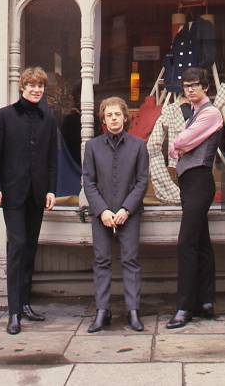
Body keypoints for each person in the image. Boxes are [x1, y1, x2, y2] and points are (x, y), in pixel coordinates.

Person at [0, 67, 57, 335]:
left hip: (37, 195)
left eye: (40, 86)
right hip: (12, 194)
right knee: (18, 247)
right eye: (32, 85)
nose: (36, 90)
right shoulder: (3, 117)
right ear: (22, 87)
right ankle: (13, 312)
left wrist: (51, 190)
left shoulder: (48, 118)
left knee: (29, 249)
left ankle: (26, 304)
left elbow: (52, 158)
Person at [83, 96, 149, 333]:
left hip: (128, 214)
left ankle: (133, 311)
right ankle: (102, 311)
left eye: (117, 114)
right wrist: (102, 211)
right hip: (101, 214)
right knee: (101, 261)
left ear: (124, 117)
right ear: (103, 119)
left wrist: (125, 209)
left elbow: (142, 182)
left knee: (130, 261)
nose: (113, 119)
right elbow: (88, 182)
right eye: (109, 115)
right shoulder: (92, 146)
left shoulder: (138, 145)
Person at [166, 67, 224, 329]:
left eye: (194, 85)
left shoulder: (210, 113)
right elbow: (180, 145)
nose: (189, 89)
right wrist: (178, 144)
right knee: (201, 243)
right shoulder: (197, 113)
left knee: (186, 244)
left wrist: (177, 143)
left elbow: (182, 143)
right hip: (191, 182)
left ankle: (184, 307)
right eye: (186, 86)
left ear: (206, 88)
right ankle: (206, 301)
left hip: (199, 181)